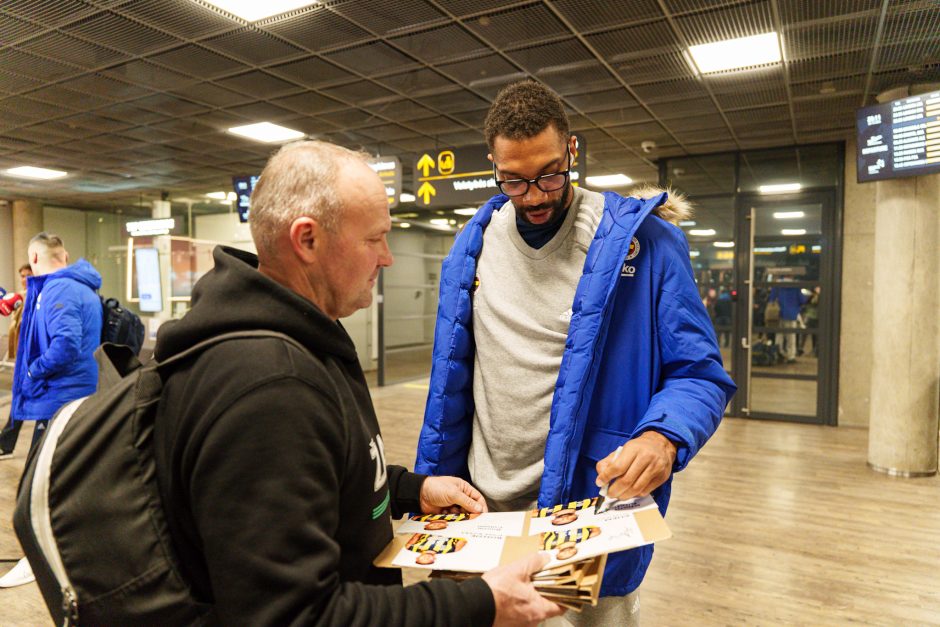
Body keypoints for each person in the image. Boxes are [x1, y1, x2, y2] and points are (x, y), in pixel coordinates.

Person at [151, 140, 563, 626]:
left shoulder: (301, 341)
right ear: (307, 241)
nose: (387, 258)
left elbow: (310, 483)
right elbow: (293, 616)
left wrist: (409, 491)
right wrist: (480, 603)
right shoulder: (268, 388)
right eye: (374, 239)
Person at [415, 80, 736, 626]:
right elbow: (452, 382)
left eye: (549, 174)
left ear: (572, 150)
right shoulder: (473, 241)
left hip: (586, 515)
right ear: (492, 163)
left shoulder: (646, 243)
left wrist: (664, 435)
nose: (534, 195)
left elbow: (699, 373)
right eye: (513, 179)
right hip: (480, 514)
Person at [1, 235, 102, 588]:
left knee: (35, 487)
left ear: (33, 257)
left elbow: (65, 345)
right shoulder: (80, 287)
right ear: (66, 255)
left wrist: (32, 371)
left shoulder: (58, 290)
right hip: (75, 397)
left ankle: (38, 558)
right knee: (60, 480)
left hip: (60, 400)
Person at [0, 263, 34, 459]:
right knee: (20, 400)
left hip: (33, 360)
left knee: (22, 400)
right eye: (22, 275)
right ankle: (6, 443)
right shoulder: (21, 297)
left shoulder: (37, 296)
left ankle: (6, 443)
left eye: (28, 275)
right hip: (23, 358)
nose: (24, 279)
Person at [767, 280, 807, 363]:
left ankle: (778, 353)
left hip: (778, 314)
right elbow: (802, 300)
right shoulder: (795, 286)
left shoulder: (777, 286)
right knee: (791, 336)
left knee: (779, 335)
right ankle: (790, 356)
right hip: (791, 314)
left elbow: (771, 299)